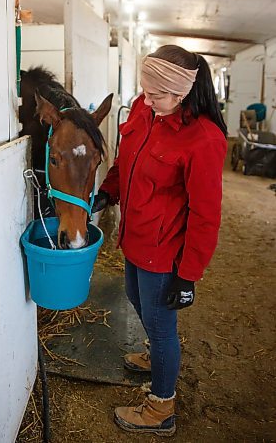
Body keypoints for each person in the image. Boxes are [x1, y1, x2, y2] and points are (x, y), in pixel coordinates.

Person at [92, 45, 227, 436]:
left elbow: (206, 215)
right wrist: (108, 192)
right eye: (144, 91)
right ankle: (156, 357)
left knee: (159, 322)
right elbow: (125, 160)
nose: (147, 101)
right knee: (136, 300)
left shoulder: (203, 138)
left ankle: (160, 408)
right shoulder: (144, 108)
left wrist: (188, 276)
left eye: (157, 95)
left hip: (164, 249)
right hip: (135, 235)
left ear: (182, 93)